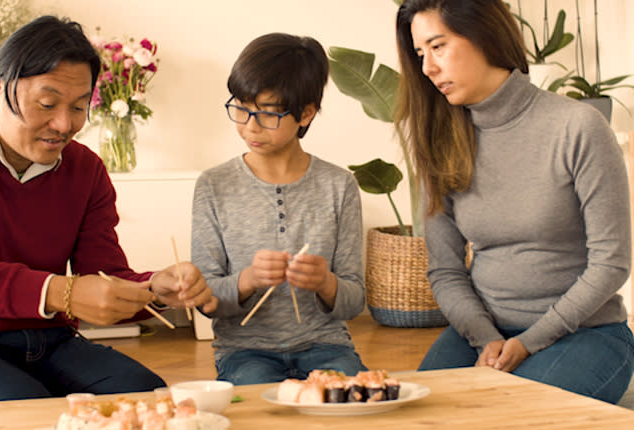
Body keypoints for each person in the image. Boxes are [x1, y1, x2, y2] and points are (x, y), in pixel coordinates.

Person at [0, 15, 216, 405]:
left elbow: (104, 274)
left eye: (78, 106)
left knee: (149, 398)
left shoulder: (85, 169)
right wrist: (65, 292)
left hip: (50, 340)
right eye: (47, 103)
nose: (64, 124)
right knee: (26, 409)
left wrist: (155, 289)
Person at [394, 0, 634, 404]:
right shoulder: (441, 141)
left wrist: (528, 342)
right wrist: (485, 336)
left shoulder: (578, 128)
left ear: (484, 34)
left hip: (586, 334)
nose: (427, 68)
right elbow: (446, 271)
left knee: (505, 412)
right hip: (482, 334)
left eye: (438, 47)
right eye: (420, 54)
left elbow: (611, 263)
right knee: (416, 412)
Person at [191, 32, 367, 385]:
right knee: (260, 409)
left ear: (306, 114)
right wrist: (248, 280)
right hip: (245, 351)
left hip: (326, 346)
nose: (249, 126)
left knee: (356, 399)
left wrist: (326, 284)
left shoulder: (339, 186)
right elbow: (205, 298)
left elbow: (354, 299)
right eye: (241, 108)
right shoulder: (213, 185)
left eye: (268, 114)